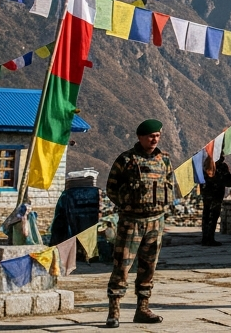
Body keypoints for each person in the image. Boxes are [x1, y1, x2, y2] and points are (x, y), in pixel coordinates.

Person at [105, 119, 175, 328]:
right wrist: (128, 206)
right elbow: (111, 188)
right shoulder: (126, 160)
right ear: (140, 137)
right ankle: (114, 312)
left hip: (156, 222)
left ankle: (142, 309)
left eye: (157, 136)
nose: (155, 140)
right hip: (131, 223)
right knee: (122, 267)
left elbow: (170, 184)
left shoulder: (164, 160)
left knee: (148, 268)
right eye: (151, 136)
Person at [51, 169, 101, 251]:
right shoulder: (95, 193)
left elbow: (59, 216)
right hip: (90, 225)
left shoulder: (67, 194)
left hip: (72, 229)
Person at [200, 155, 231, 247]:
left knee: (206, 216)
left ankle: (205, 238)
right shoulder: (221, 167)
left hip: (206, 195)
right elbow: (229, 182)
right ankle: (210, 239)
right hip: (216, 196)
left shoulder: (204, 165)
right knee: (213, 217)